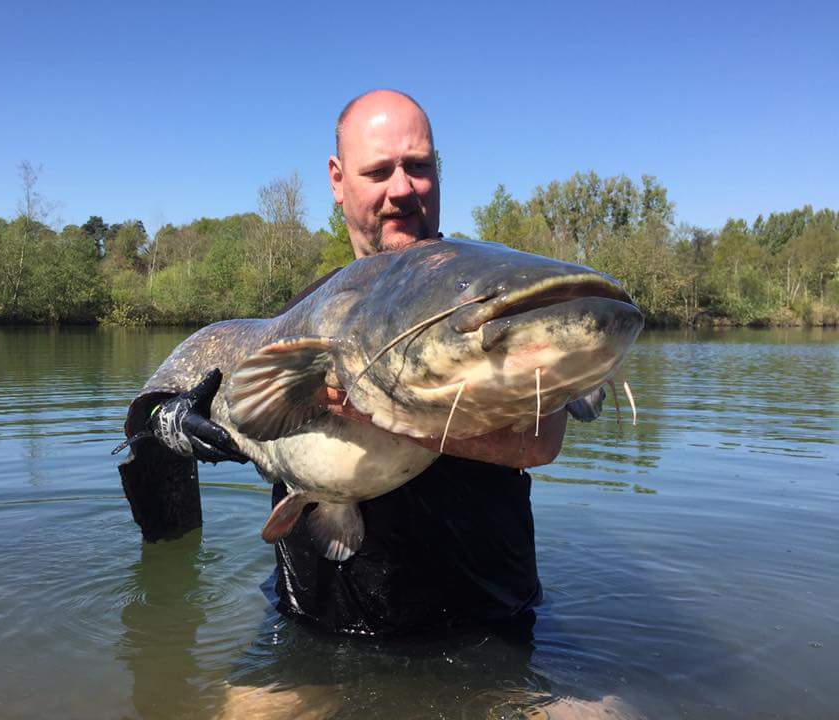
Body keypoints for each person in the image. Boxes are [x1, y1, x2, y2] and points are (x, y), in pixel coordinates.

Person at [126, 89, 568, 637]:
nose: (402, 189)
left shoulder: (484, 292)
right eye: (379, 171)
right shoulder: (297, 316)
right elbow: (168, 397)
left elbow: (543, 440)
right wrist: (171, 423)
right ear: (338, 180)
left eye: (419, 167)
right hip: (316, 626)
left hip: (491, 627)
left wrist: (370, 402)